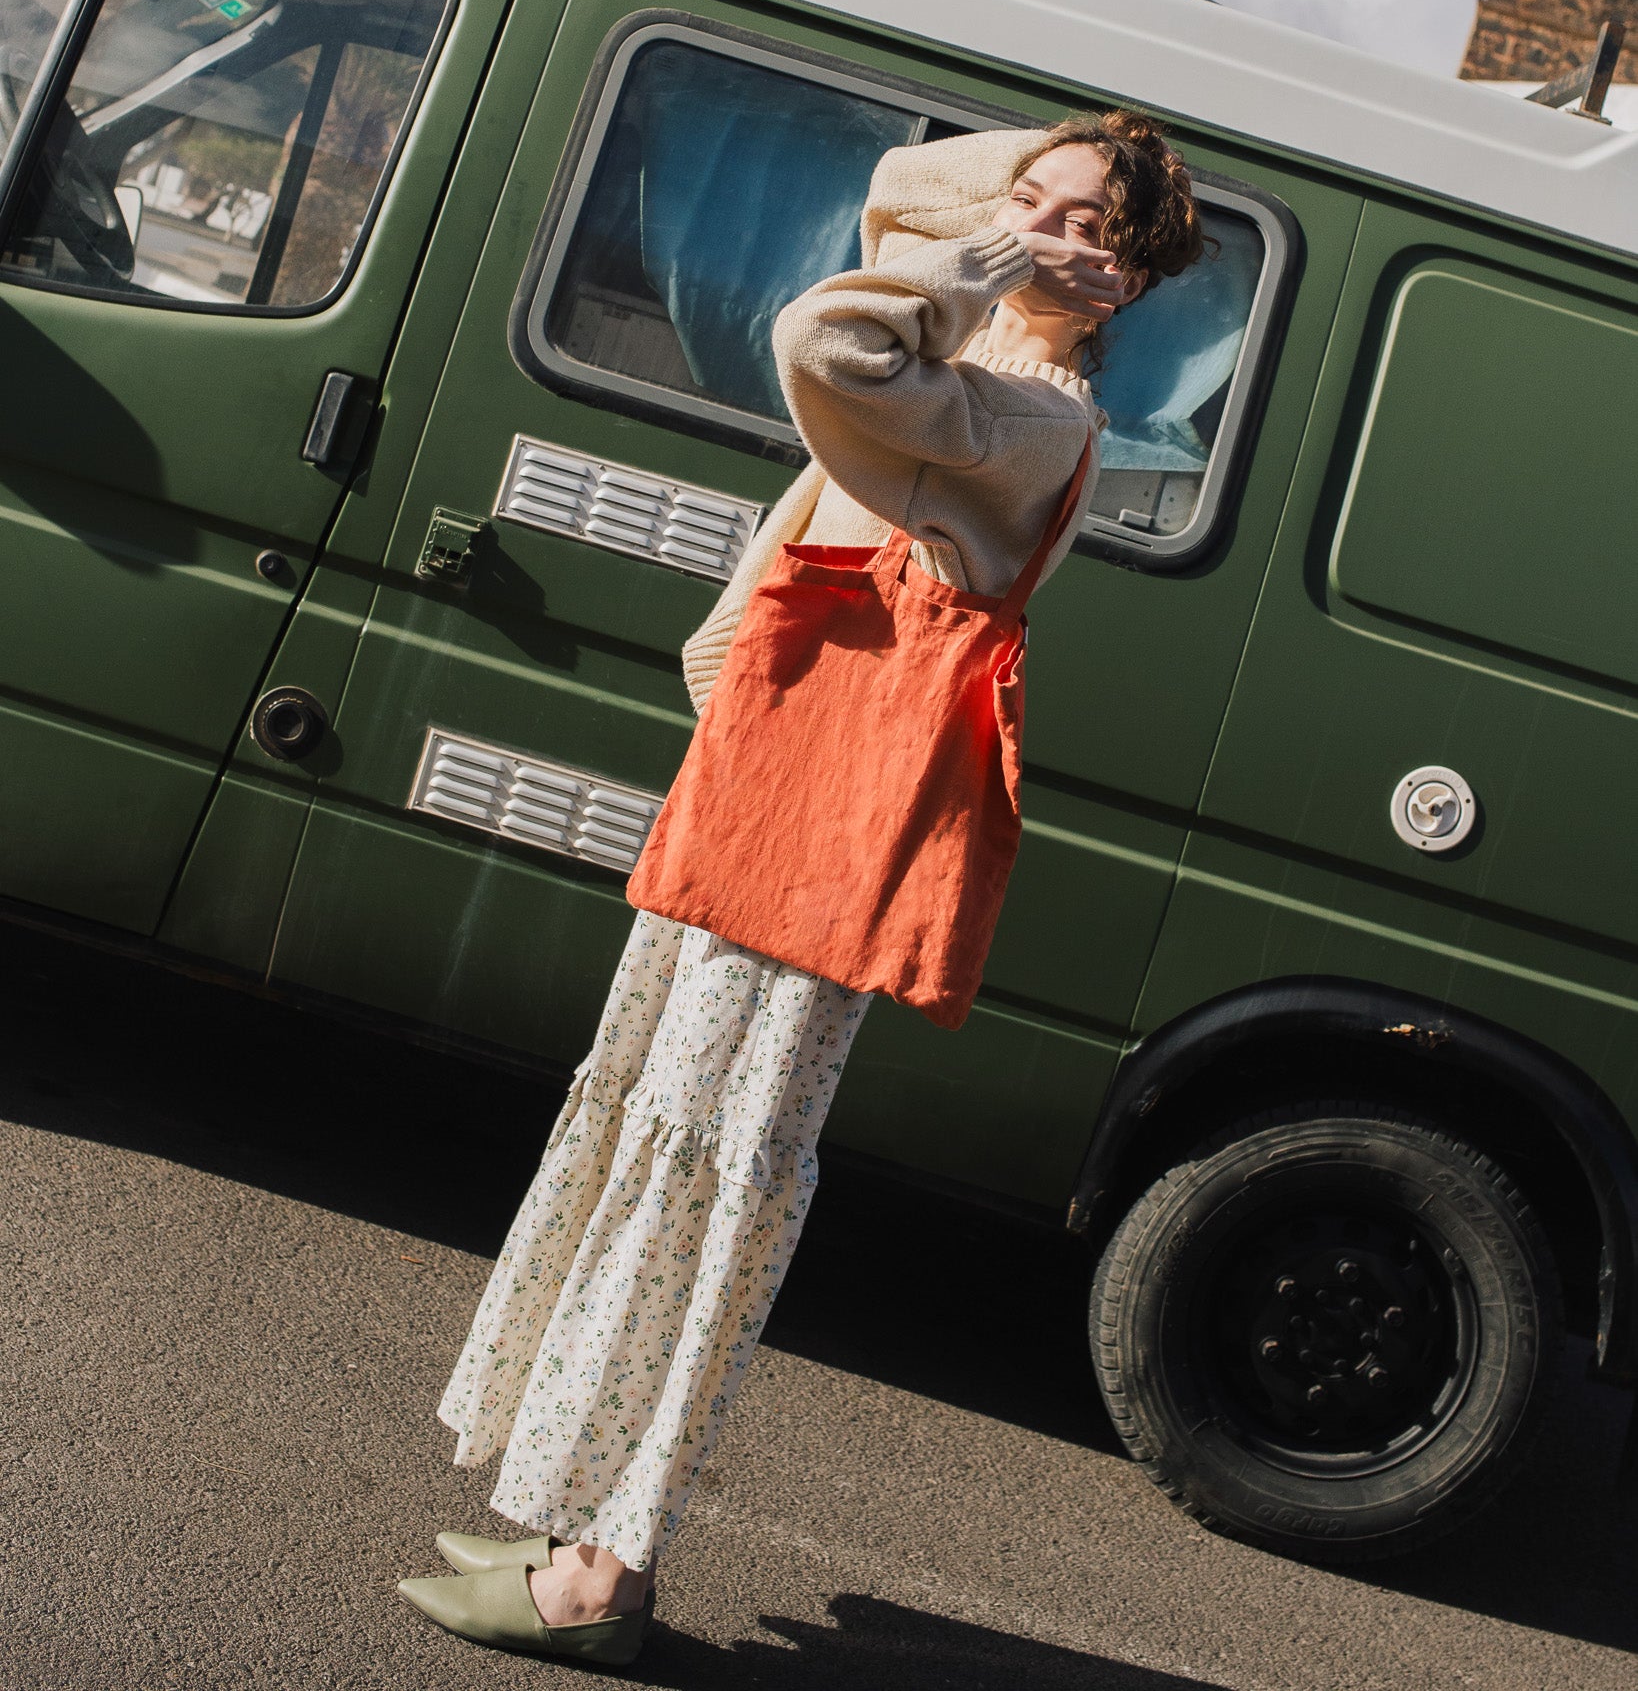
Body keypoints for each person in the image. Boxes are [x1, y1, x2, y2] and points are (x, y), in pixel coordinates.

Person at [396, 109, 1204, 1666]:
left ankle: (603, 1578)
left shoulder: (1017, 410)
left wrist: (1005, 252)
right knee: (656, 1121)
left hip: (823, 824)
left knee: (713, 1171)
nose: (1041, 229)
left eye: (1091, 230)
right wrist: (1068, 153)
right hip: (774, 785)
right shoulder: (985, 352)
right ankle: (568, 1511)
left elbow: (818, 335)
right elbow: (901, 188)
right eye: (1030, 204)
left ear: (1129, 280)